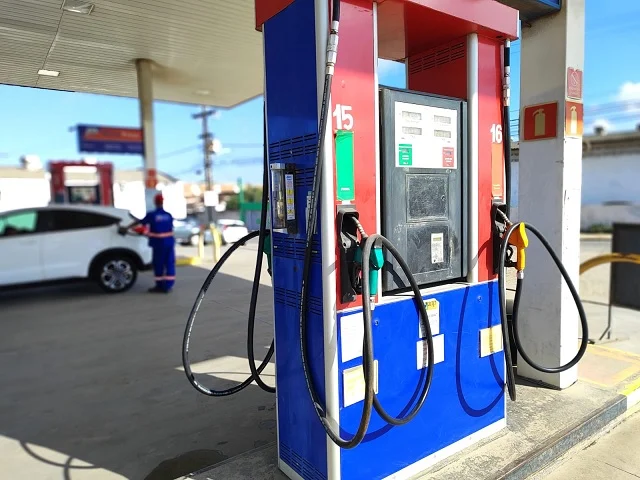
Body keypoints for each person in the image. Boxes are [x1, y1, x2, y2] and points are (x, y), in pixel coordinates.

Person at [120, 193, 176, 293]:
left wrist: (126, 228)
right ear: (163, 202)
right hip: (169, 243)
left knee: (158, 264)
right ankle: (168, 286)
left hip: (158, 244)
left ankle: (160, 286)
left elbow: (140, 222)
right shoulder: (168, 215)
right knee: (169, 263)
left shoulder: (152, 215)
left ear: (155, 202)